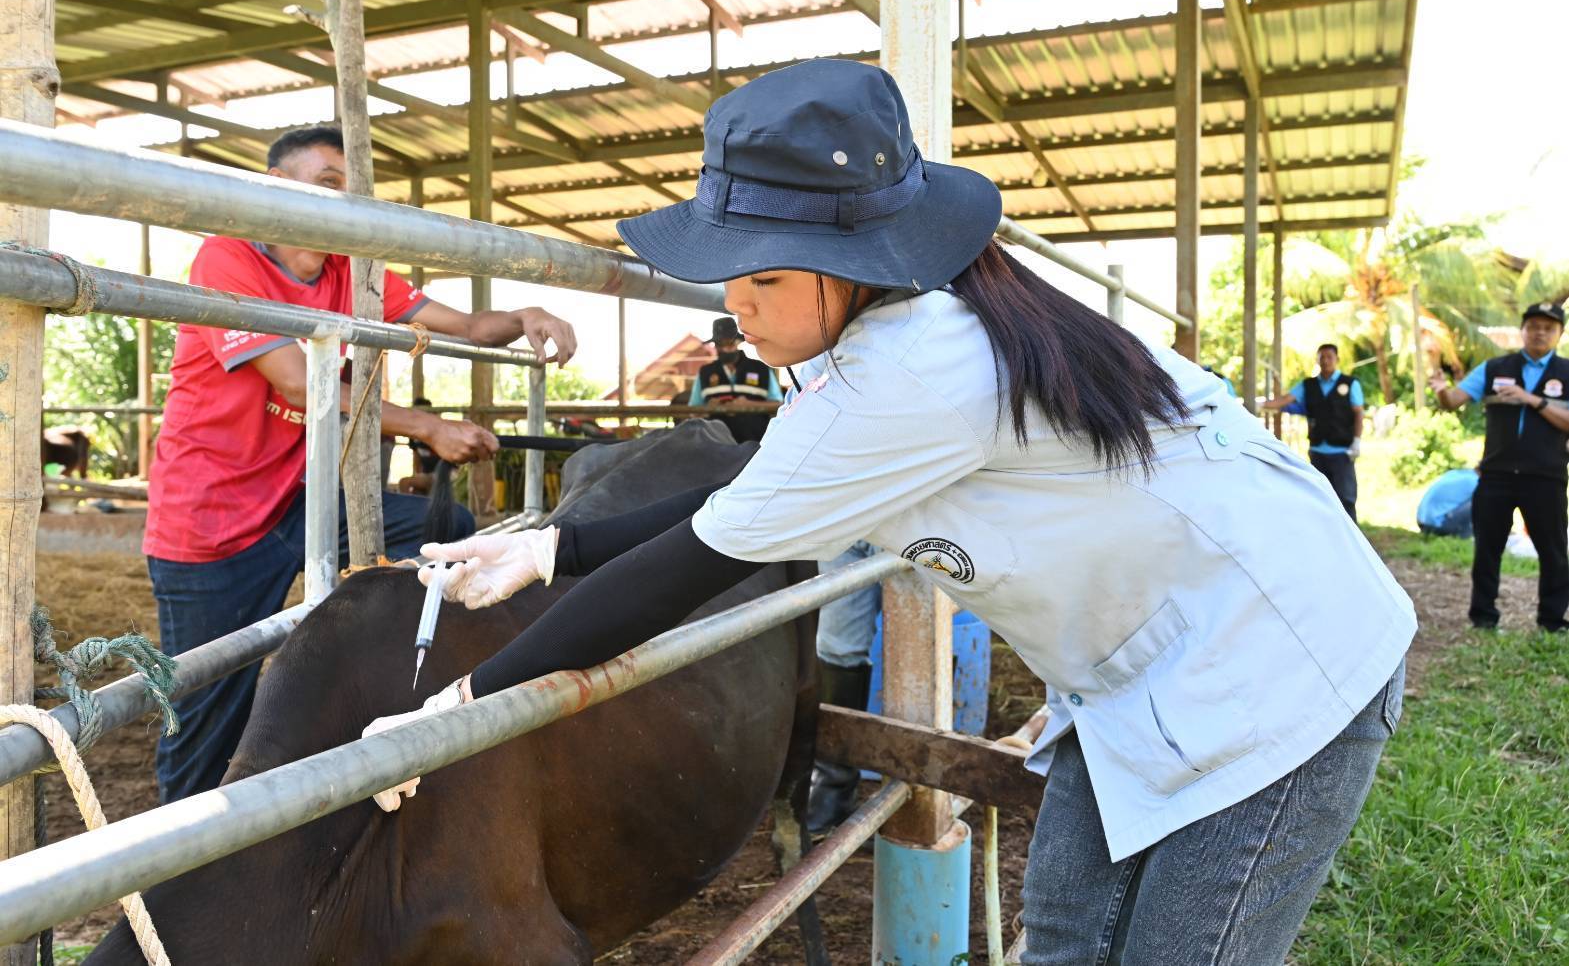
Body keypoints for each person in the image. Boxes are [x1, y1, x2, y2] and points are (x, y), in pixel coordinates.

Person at [366, 60, 1413, 964]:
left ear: (854, 265)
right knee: (1064, 939)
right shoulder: (890, 333)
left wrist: (459, 711)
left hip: (1274, 662)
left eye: (764, 275)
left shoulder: (913, 373)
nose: (736, 303)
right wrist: (555, 543)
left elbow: (694, 562)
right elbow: (763, 481)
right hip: (1146, 658)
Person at [143, 125, 578, 803]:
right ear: (276, 190)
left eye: (347, 188)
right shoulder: (227, 259)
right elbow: (295, 381)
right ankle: (167, 871)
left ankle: (394, 700)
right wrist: (429, 426)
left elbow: (462, 325)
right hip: (213, 520)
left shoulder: (355, 271)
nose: (340, 201)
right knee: (206, 713)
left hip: (302, 499)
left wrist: (522, 315)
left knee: (445, 529)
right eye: (324, 184)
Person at [1429, 301, 1569, 633]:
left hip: (1545, 477)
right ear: (1522, 330)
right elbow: (1454, 401)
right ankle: (1483, 617)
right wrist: (1441, 393)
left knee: (1554, 552)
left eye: (1548, 328)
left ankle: (1551, 620)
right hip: (1496, 475)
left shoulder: (1567, 373)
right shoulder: (1494, 368)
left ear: (1559, 334)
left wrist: (1531, 399)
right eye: (1533, 326)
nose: (1539, 332)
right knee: (1488, 548)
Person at [805, 539, 882, 833]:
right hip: (848, 513)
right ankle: (832, 789)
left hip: (916, 512)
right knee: (837, 645)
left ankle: (919, 792)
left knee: (920, 642)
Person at [1261, 343, 1364, 519]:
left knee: (1345, 498)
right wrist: (1261, 405)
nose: (1325, 361)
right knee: (1319, 497)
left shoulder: (1350, 383)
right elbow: (1286, 399)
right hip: (1317, 450)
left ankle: (1349, 541)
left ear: (1337, 359)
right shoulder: (1308, 385)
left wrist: (1357, 441)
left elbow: (1358, 413)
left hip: (1342, 451)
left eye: (1329, 357)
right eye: (1321, 357)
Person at [688, 316, 783, 443]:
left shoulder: (761, 369)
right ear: (715, 345)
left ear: (738, 342)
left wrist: (750, 405)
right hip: (715, 444)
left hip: (754, 443)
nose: (726, 348)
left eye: (730, 343)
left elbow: (779, 405)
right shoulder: (705, 372)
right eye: (721, 344)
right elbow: (693, 411)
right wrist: (708, 408)